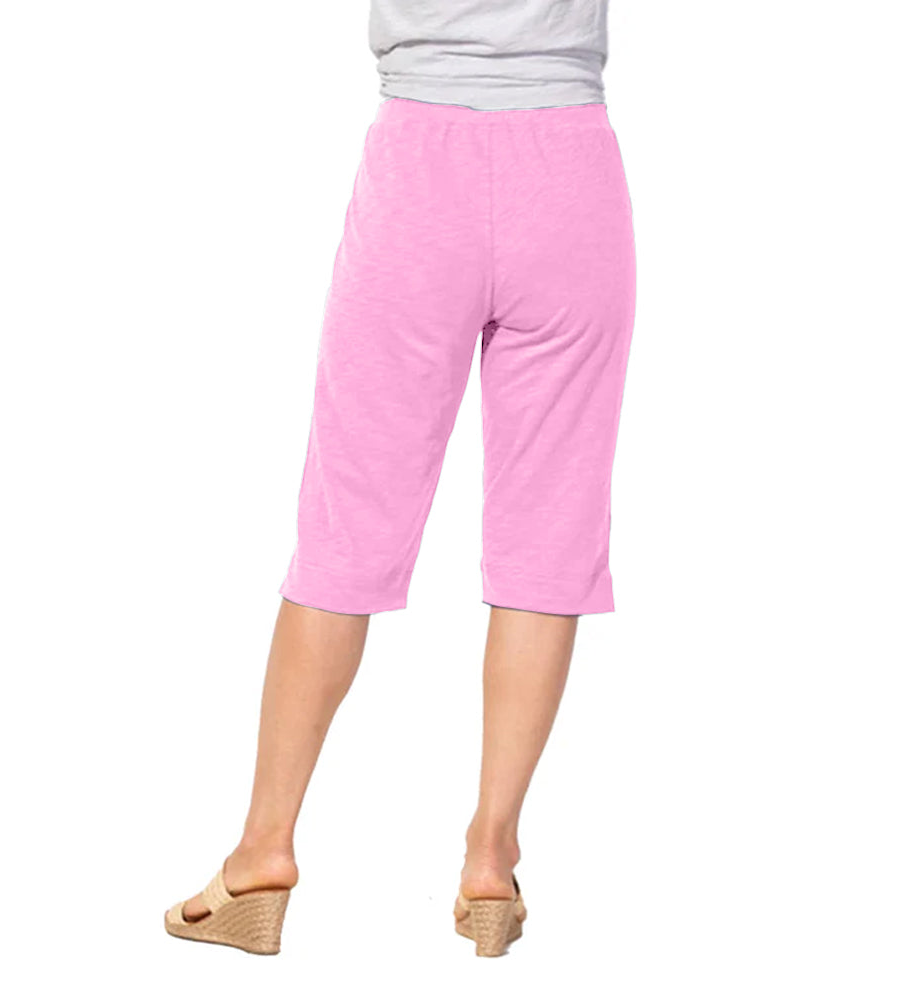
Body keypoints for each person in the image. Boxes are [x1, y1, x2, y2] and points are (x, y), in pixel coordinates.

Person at [165, 0, 635, 958]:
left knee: (349, 523)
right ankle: (491, 859)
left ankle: (261, 856)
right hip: (572, 166)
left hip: (423, 164)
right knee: (550, 533)